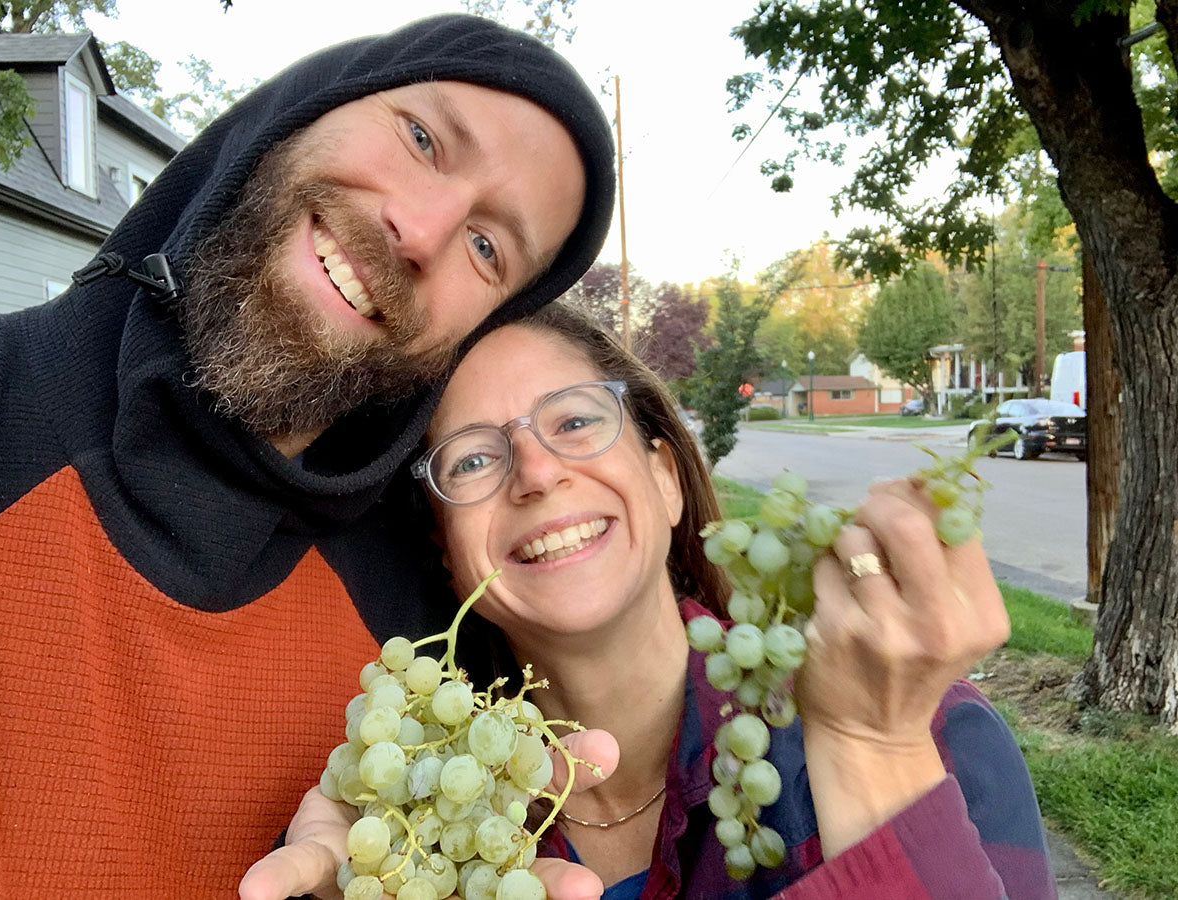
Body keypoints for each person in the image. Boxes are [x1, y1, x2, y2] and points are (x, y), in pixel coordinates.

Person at [0, 15, 616, 897]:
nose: (421, 232)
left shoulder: (436, 648)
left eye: (487, 248)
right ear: (303, 107)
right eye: (422, 137)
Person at [247, 302, 1058, 899]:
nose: (536, 471)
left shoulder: (930, 734)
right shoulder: (419, 817)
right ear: (448, 557)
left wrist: (877, 761)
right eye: (469, 461)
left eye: (573, 421)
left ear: (666, 479)